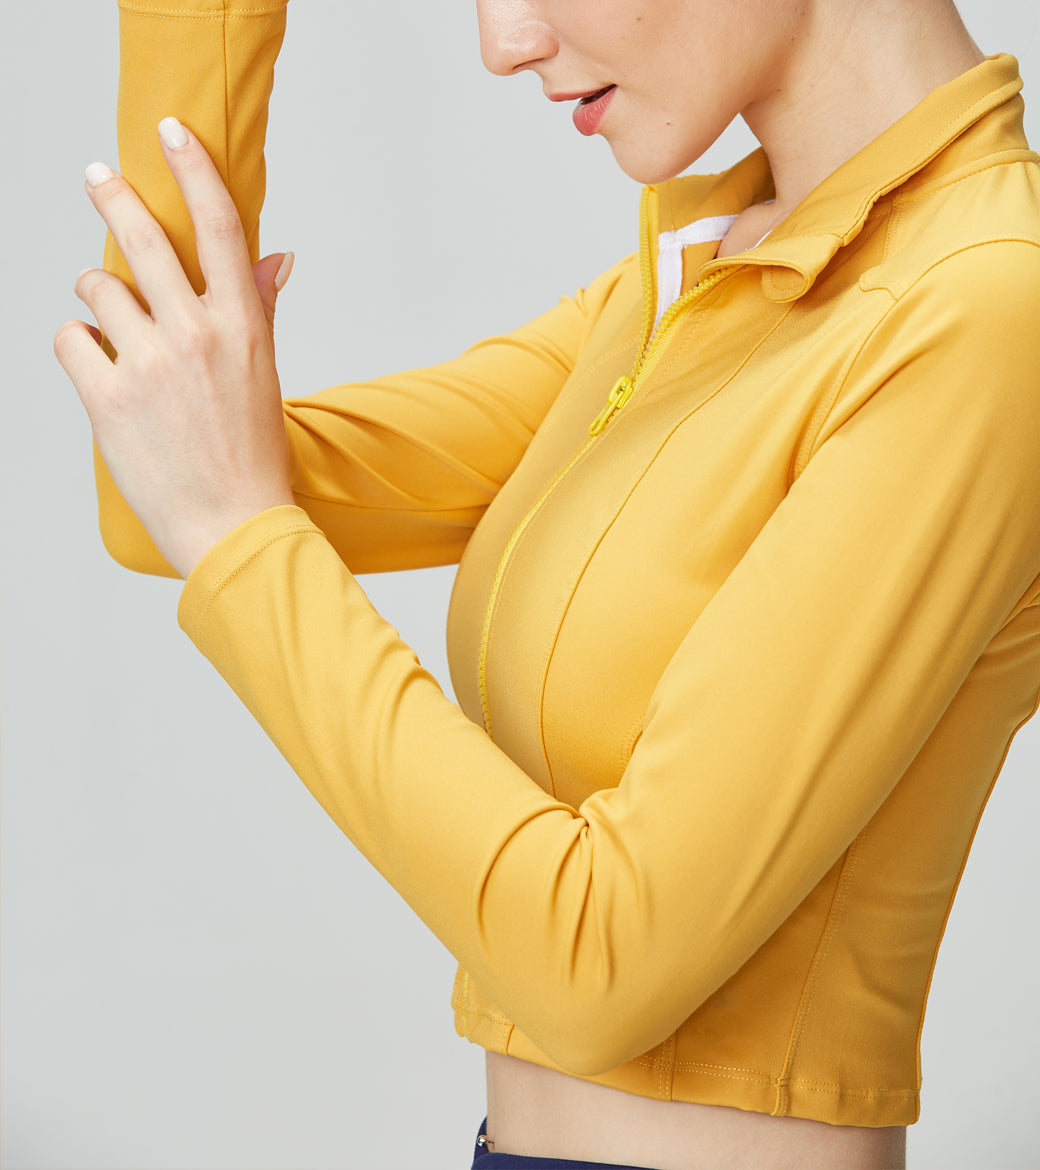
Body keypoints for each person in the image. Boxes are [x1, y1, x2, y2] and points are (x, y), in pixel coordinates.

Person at [53, 0, 1040, 1167]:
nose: (502, 43)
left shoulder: (981, 308)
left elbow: (598, 967)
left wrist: (242, 535)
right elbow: (162, 481)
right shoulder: (700, 277)